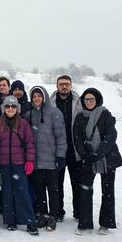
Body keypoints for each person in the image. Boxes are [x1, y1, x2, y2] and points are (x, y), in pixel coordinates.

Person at [73, 88, 122, 236]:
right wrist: (85, 155)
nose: (89, 102)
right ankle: (84, 223)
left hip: (107, 158)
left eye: (92, 99)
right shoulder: (80, 117)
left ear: (97, 100)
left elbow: (111, 136)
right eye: (86, 99)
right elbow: (77, 138)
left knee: (107, 191)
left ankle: (105, 223)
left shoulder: (106, 115)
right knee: (85, 190)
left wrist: (99, 153)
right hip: (88, 159)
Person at [0, 96, 38, 235]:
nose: (10, 109)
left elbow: (30, 143)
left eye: (13, 106)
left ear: (17, 108)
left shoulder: (23, 124)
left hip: (19, 164)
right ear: (3, 108)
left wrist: (30, 161)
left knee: (22, 192)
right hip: (3, 164)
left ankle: (29, 221)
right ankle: (10, 220)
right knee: (7, 193)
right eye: (7, 106)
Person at [23, 86, 68, 231]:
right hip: (36, 161)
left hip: (51, 160)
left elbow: (61, 136)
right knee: (40, 190)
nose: (36, 99)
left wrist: (61, 155)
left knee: (53, 191)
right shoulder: (29, 115)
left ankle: (53, 216)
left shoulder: (54, 113)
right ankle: (43, 215)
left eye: (39, 96)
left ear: (44, 97)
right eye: (34, 96)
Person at [51, 75, 83, 222]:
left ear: (71, 86)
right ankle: (58, 211)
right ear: (57, 86)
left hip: (74, 149)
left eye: (67, 84)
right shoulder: (50, 102)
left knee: (77, 182)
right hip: (57, 150)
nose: (64, 87)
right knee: (57, 183)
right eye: (61, 84)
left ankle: (78, 211)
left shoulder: (79, 101)